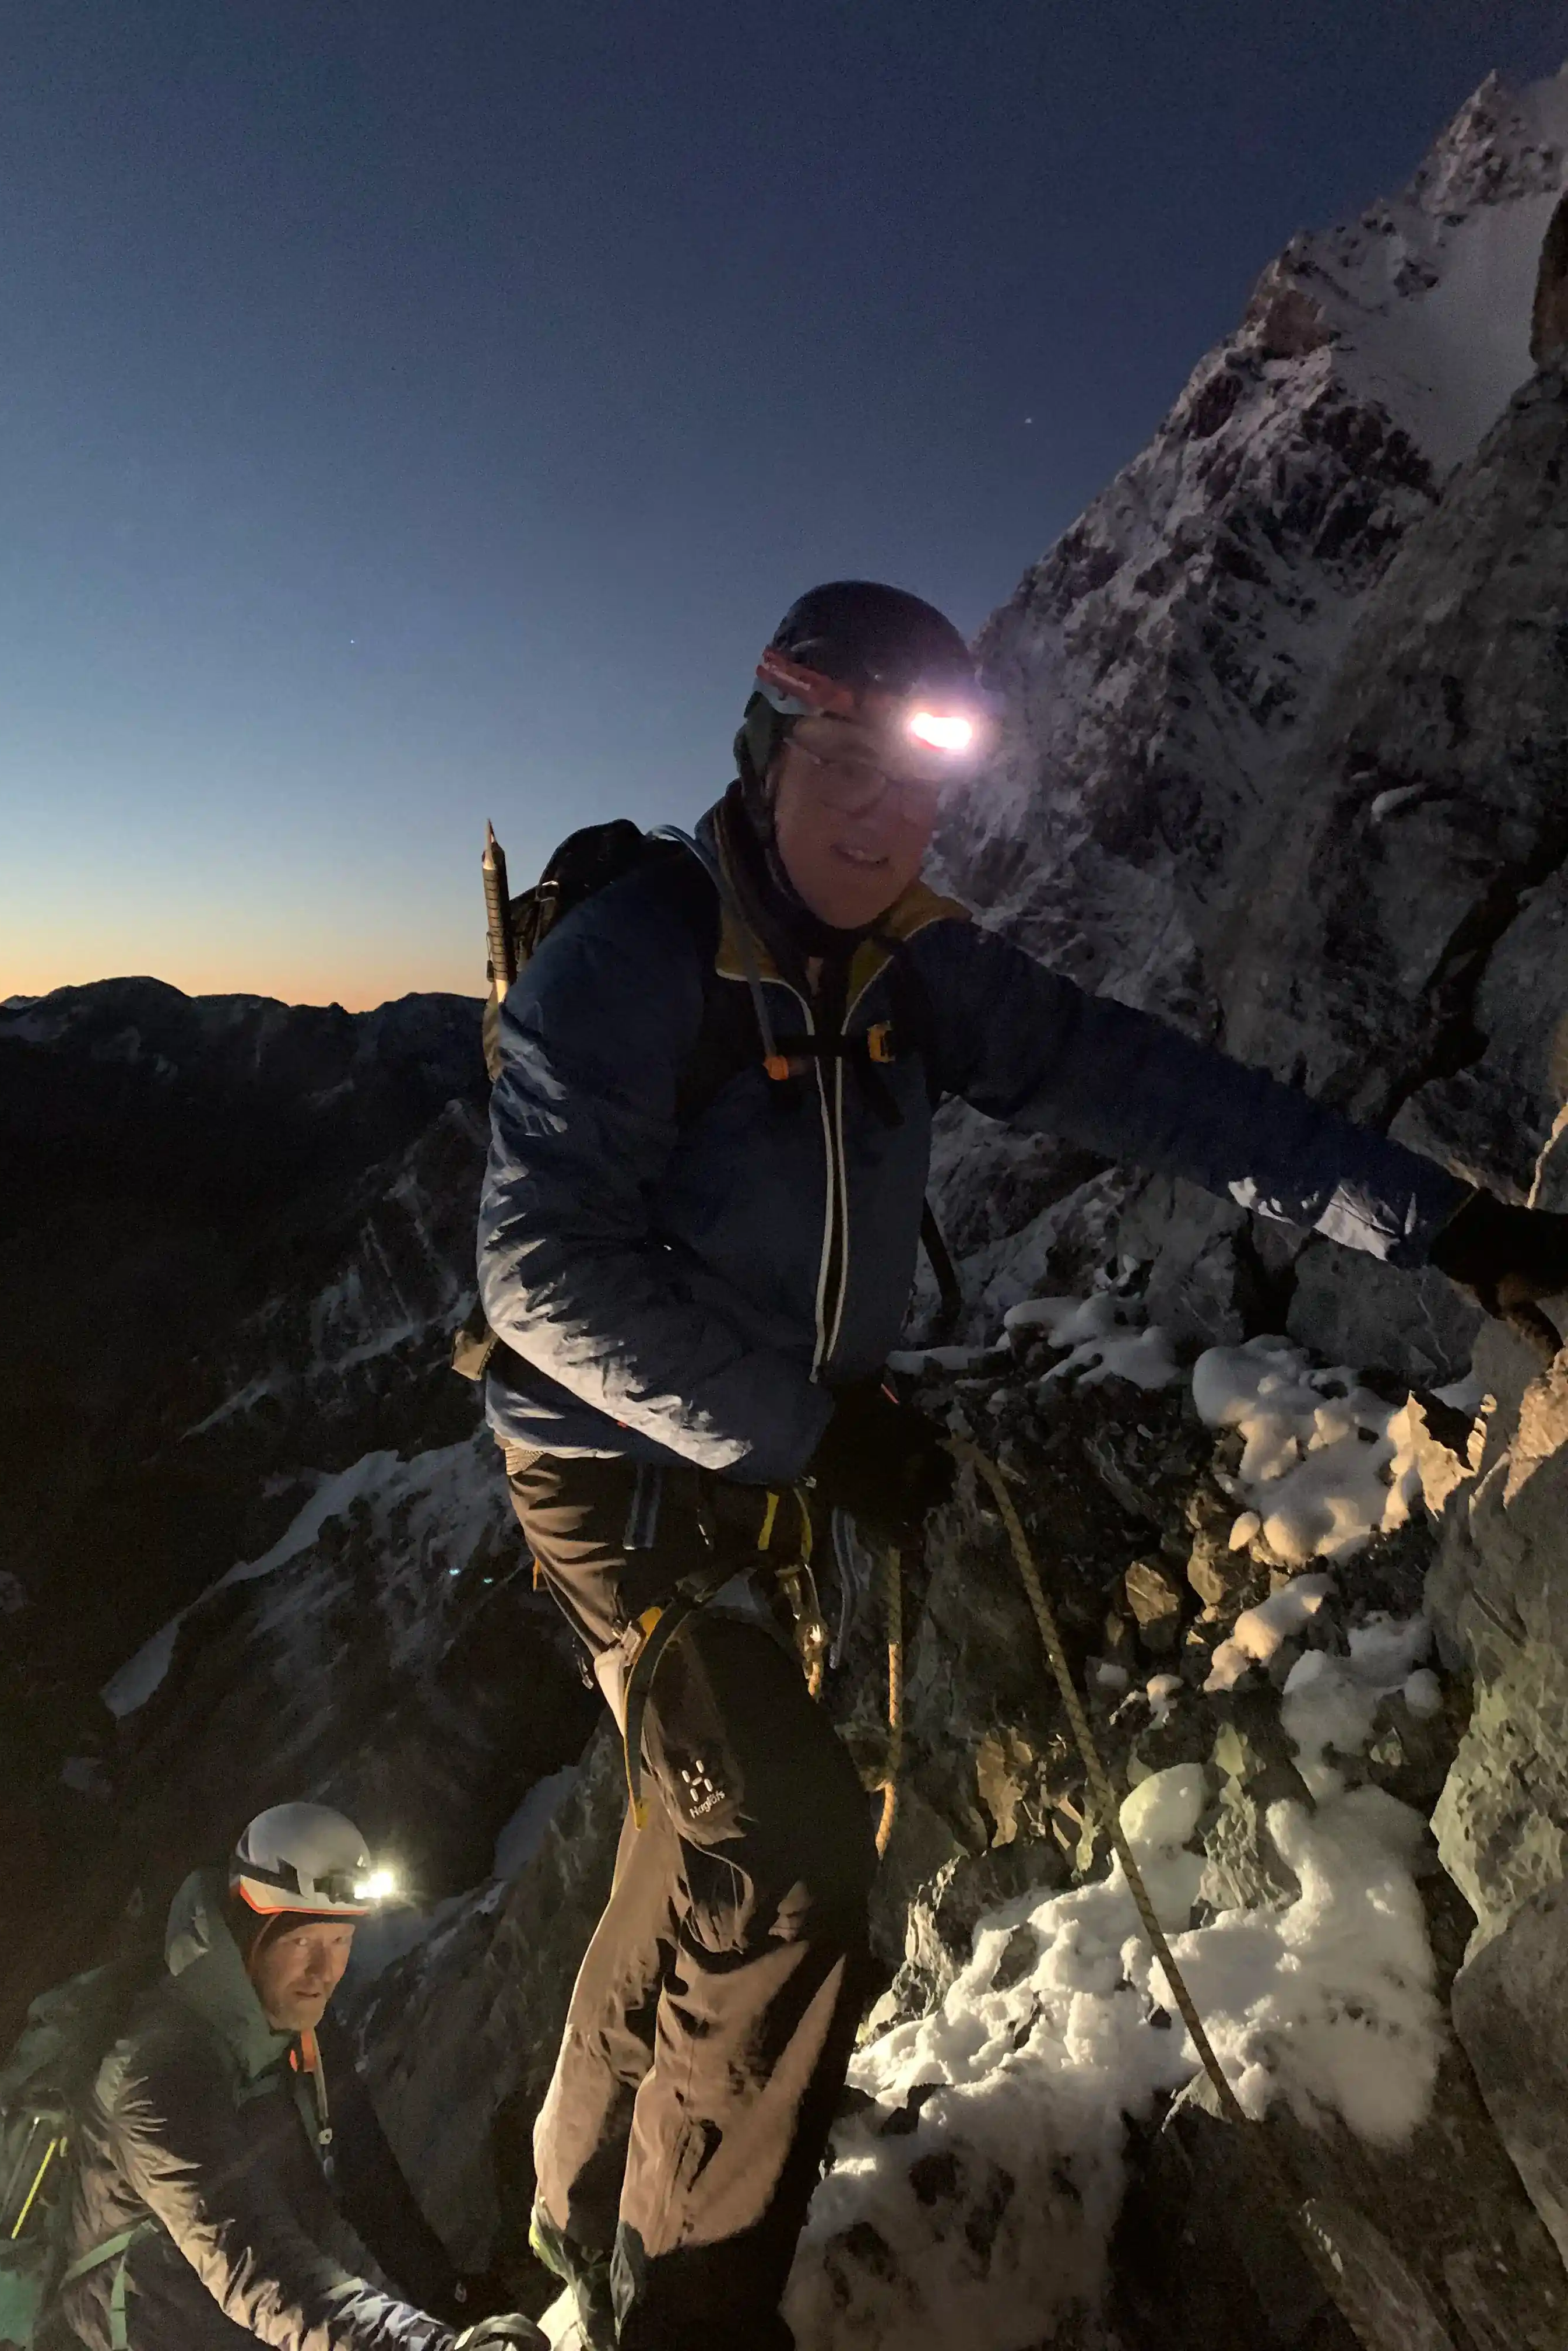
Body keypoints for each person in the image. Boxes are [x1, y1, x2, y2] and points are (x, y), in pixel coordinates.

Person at [474, 579, 1568, 2350]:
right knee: (791, 1851)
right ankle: (691, 2311)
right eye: (840, 759)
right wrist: (815, 1431)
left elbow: (1150, 1090)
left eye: (917, 786)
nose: (882, 813)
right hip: (619, 1484)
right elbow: (537, 1276)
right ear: (763, 756)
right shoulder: (636, 960)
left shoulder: (911, 964)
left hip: (785, 1463)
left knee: (702, 1841)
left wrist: (1450, 1232)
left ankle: (564, 2195)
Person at [61, 1801, 546, 2351]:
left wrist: (452, 2302)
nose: (327, 1972)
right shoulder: (159, 2076)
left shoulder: (304, 2030)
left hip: (261, 2306)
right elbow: (253, 2264)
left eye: (341, 1941)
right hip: (162, 2324)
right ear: (249, 1931)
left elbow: (368, 2184)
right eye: (302, 1943)